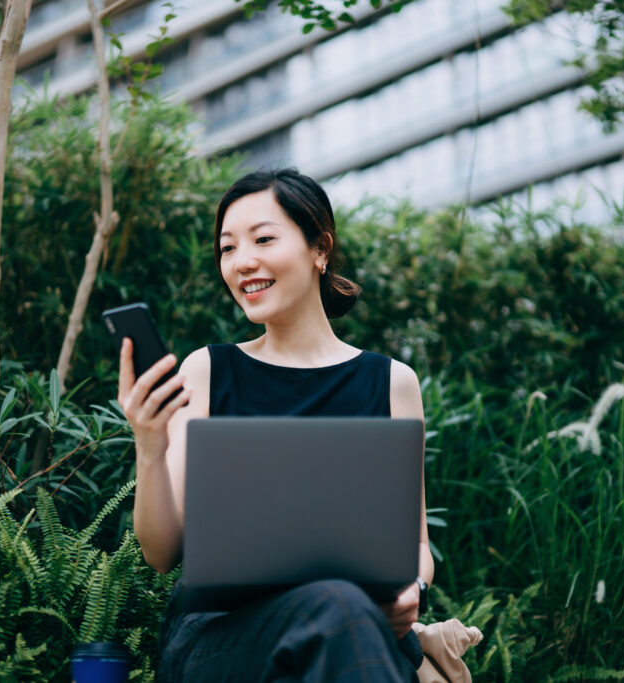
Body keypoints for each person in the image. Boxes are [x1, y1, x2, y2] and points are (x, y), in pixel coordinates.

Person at [117, 168, 434, 682]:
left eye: (263, 239)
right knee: (338, 607)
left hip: (358, 623)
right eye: (227, 248)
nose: (242, 262)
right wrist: (149, 446)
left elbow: (415, 546)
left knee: (343, 610)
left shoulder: (394, 382)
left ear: (320, 250)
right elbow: (160, 553)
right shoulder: (209, 370)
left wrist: (410, 591)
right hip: (222, 638)